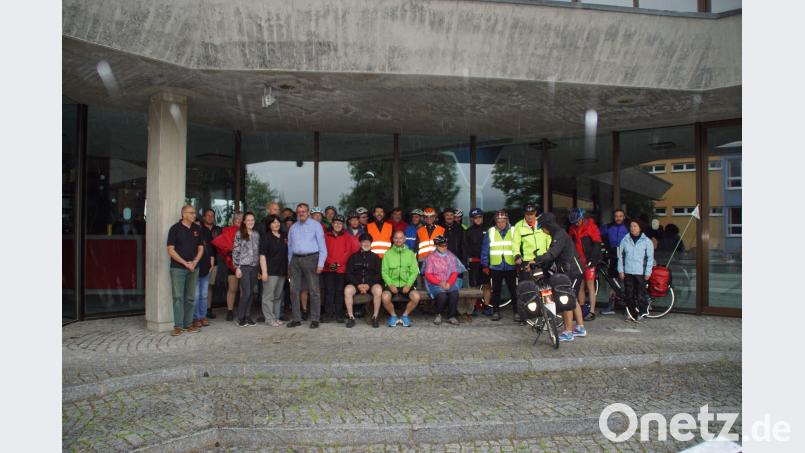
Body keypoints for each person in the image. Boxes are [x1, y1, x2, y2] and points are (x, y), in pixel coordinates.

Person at [533, 212, 587, 342]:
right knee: (572, 298)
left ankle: (568, 332)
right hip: (571, 270)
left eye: (542, 227)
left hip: (573, 270)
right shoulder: (558, 234)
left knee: (566, 299)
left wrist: (536, 260)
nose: (542, 230)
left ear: (548, 225)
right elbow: (554, 256)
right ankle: (580, 328)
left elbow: (552, 254)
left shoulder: (560, 235)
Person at [286, 203, 328, 328]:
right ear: (297, 213)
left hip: (311, 259)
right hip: (295, 260)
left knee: (314, 290)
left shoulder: (316, 226)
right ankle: (296, 318)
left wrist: (321, 263)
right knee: (294, 291)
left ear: (308, 212)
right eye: (299, 212)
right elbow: (289, 248)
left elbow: (323, 247)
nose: (301, 213)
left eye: (303, 211)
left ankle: (315, 319)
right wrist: (289, 264)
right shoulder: (293, 227)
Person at [166, 205, 205, 336]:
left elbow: (201, 248)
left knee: (190, 297)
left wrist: (194, 262)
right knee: (178, 297)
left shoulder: (197, 229)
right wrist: (184, 263)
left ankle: (188, 324)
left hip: (194, 268)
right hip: (178, 269)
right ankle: (178, 326)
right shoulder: (175, 229)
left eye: (195, 212)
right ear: (184, 214)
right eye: (191, 213)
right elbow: (170, 250)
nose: (195, 215)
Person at [511, 203, 552, 322]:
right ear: (524, 214)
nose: (530, 216)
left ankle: (548, 313)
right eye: (527, 214)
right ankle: (525, 315)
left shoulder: (542, 224)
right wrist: (517, 255)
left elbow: (549, 239)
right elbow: (515, 244)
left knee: (545, 287)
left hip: (543, 260)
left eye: (532, 214)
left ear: (535, 213)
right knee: (526, 289)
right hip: (528, 262)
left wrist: (551, 253)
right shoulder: (520, 227)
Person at [481, 210, 518, 321]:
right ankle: (496, 312)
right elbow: (485, 249)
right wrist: (485, 265)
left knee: (513, 290)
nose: (501, 223)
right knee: (496, 290)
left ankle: (517, 312)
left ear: (506, 220)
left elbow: (518, 246)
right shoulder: (491, 231)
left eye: (503, 221)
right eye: (498, 221)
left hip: (511, 265)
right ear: (495, 221)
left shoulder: (513, 230)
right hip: (496, 266)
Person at [567, 208, 603, 321]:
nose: (576, 224)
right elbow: (570, 244)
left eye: (578, 221)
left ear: (582, 218)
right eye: (574, 222)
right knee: (580, 285)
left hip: (589, 261)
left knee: (590, 285)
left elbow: (597, 244)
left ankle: (592, 311)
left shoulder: (591, 226)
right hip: (578, 261)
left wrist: (593, 260)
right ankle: (581, 309)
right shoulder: (572, 228)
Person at [323, 215, 359, 323]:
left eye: (340, 223)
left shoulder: (347, 236)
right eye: (335, 223)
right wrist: (330, 263)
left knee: (339, 292)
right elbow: (323, 251)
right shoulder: (326, 236)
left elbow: (348, 252)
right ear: (332, 224)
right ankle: (328, 314)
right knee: (329, 291)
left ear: (343, 225)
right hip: (328, 268)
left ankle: (339, 314)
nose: (337, 225)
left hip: (341, 269)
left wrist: (337, 264)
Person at [381, 230, 421, 327]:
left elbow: (414, 271)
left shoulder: (410, 254)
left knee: (416, 297)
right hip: (392, 284)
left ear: (404, 239)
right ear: (393, 239)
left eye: (401, 238)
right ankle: (393, 316)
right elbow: (384, 272)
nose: (398, 240)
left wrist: (408, 284)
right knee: (385, 297)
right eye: (396, 238)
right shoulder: (387, 254)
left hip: (406, 283)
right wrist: (390, 285)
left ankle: (405, 316)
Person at [423, 235, 467, 325]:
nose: (445, 247)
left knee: (454, 293)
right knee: (442, 296)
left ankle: (451, 316)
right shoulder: (431, 257)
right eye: (442, 245)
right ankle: (438, 314)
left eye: (446, 245)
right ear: (437, 246)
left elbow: (455, 272)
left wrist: (449, 283)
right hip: (434, 283)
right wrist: (440, 283)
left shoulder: (451, 256)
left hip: (449, 282)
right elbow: (428, 274)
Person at [618, 219, 655, 321]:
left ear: (640, 228)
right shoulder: (625, 240)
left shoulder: (647, 241)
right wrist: (621, 270)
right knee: (629, 295)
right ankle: (631, 314)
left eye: (635, 226)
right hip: (628, 272)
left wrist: (648, 272)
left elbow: (650, 258)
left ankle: (641, 313)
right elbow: (620, 256)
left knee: (640, 295)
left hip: (640, 272)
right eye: (631, 226)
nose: (632, 228)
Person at [344, 233, 384, 328]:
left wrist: (368, 285)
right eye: (363, 242)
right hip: (356, 284)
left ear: (371, 243)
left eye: (368, 242)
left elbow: (379, 274)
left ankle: (375, 316)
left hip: (371, 284)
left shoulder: (376, 257)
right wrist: (358, 285)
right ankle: (351, 317)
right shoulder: (353, 257)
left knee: (378, 290)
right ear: (360, 243)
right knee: (347, 290)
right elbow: (348, 273)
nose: (366, 244)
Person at [233, 212, 261, 327]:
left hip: (255, 267)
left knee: (252, 292)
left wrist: (259, 269)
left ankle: (248, 316)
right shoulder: (239, 233)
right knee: (246, 292)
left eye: (252, 220)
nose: (250, 222)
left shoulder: (256, 234)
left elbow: (258, 252)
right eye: (248, 220)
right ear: (244, 221)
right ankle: (240, 317)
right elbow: (235, 251)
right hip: (243, 267)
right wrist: (237, 267)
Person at [259, 214, 287, 327]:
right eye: (273, 222)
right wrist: (264, 272)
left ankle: (276, 317)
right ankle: (269, 319)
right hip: (270, 271)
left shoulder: (284, 236)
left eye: (278, 222)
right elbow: (262, 255)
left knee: (278, 296)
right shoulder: (266, 237)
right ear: (269, 225)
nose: (276, 224)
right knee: (268, 297)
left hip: (282, 271)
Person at [599, 209, 629, 315]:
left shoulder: (629, 227)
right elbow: (597, 237)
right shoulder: (607, 227)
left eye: (620, 216)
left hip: (626, 257)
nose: (618, 218)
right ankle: (611, 306)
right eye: (616, 216)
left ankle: (629, 306)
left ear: (624, 217)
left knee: (626, 281)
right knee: (613, 282)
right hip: (613, 256)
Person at [462, 208, 489, 322]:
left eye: (480, 217)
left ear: (482, 218)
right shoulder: (468, 231)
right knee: (475, 286)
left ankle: (487, 307)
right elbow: (465, 248)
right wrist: (466, 262)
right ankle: (474, 308)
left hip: (487, 262)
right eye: (475, 217)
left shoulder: (489, 230)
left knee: (487, 285)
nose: (478, 219)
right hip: (474, 262)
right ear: (472, 219)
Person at [193, 208, 217, 329]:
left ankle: (203, 316)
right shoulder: (191, 235)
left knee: (203, 294)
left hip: (206, 268)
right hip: (194, 268)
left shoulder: (206, 232)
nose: (197, 227)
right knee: (196, 295)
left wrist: (212, 259)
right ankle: (196, 317)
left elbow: (211, 248)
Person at [200, 208, 222, 320]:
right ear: (204, 217)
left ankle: (208, 309)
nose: (210, 217)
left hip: (215, 262)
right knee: (200, 287)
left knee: (209, 286)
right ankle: (199, 312)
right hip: (200, 261)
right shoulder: (199, 228)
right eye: (208, 215)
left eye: (212, 215)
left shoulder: (218, 229)